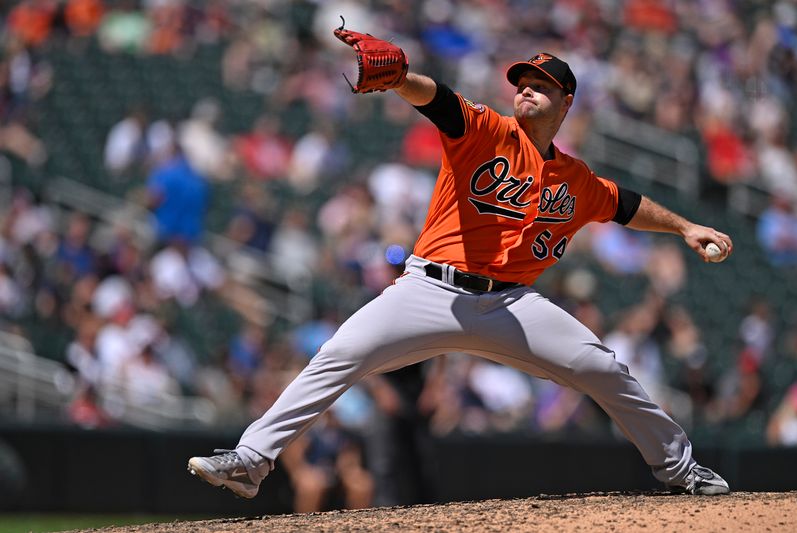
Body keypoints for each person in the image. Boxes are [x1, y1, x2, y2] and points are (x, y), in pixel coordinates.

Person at [188, 26, 733, 499]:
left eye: (540, 85)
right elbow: (439, 100)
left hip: (509, 302)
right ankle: (252, 460)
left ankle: (679, 467)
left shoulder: (576, 179)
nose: (525, 89)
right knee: (340, 354)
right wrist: (401, 78)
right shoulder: (488, 131)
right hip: (428, 289)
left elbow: (626, 205)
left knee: (601, 367)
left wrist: (686, 226)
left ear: (566, 102)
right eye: (521, 82)